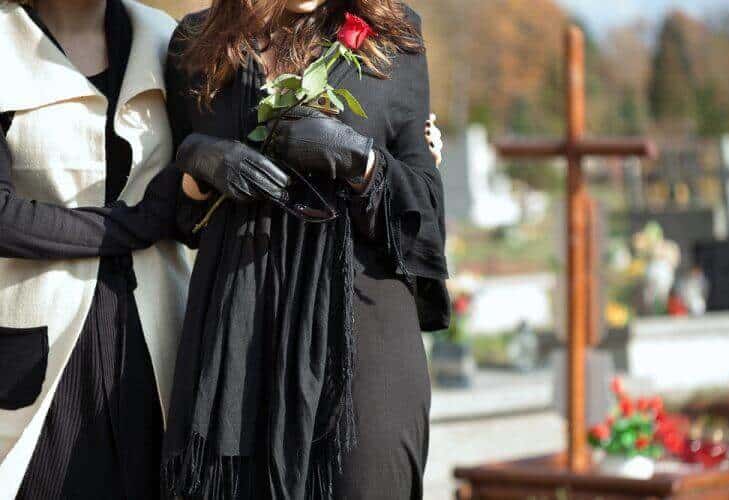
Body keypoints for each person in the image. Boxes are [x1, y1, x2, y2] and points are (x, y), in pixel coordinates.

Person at [162, 1, 450, 498]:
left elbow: (424, 213)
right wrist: (198, 163)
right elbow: (174, 211)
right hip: (239, 337)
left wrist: (360, 161)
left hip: (363, 336)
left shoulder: (391, 33)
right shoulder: (196, 40)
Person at [0, 1, 205, 498]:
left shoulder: (169, 39)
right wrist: (135, 225)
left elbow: (196, 200)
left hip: (157, 341)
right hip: (39, 349)